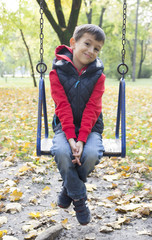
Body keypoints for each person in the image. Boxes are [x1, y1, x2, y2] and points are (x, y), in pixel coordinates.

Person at [50, 24, 106, 225]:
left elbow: (93, 108)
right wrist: (71, 138)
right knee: (62, 151)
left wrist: (81, 139)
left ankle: (68, 190)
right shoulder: (57, 71)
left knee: (90, 154)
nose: (91, 51)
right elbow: (62, 106)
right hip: (64, 127)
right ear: (73, 43)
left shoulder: (98, 75)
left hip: (91, 129)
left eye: (97, 48)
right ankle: (80, 200)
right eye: (87, 44)